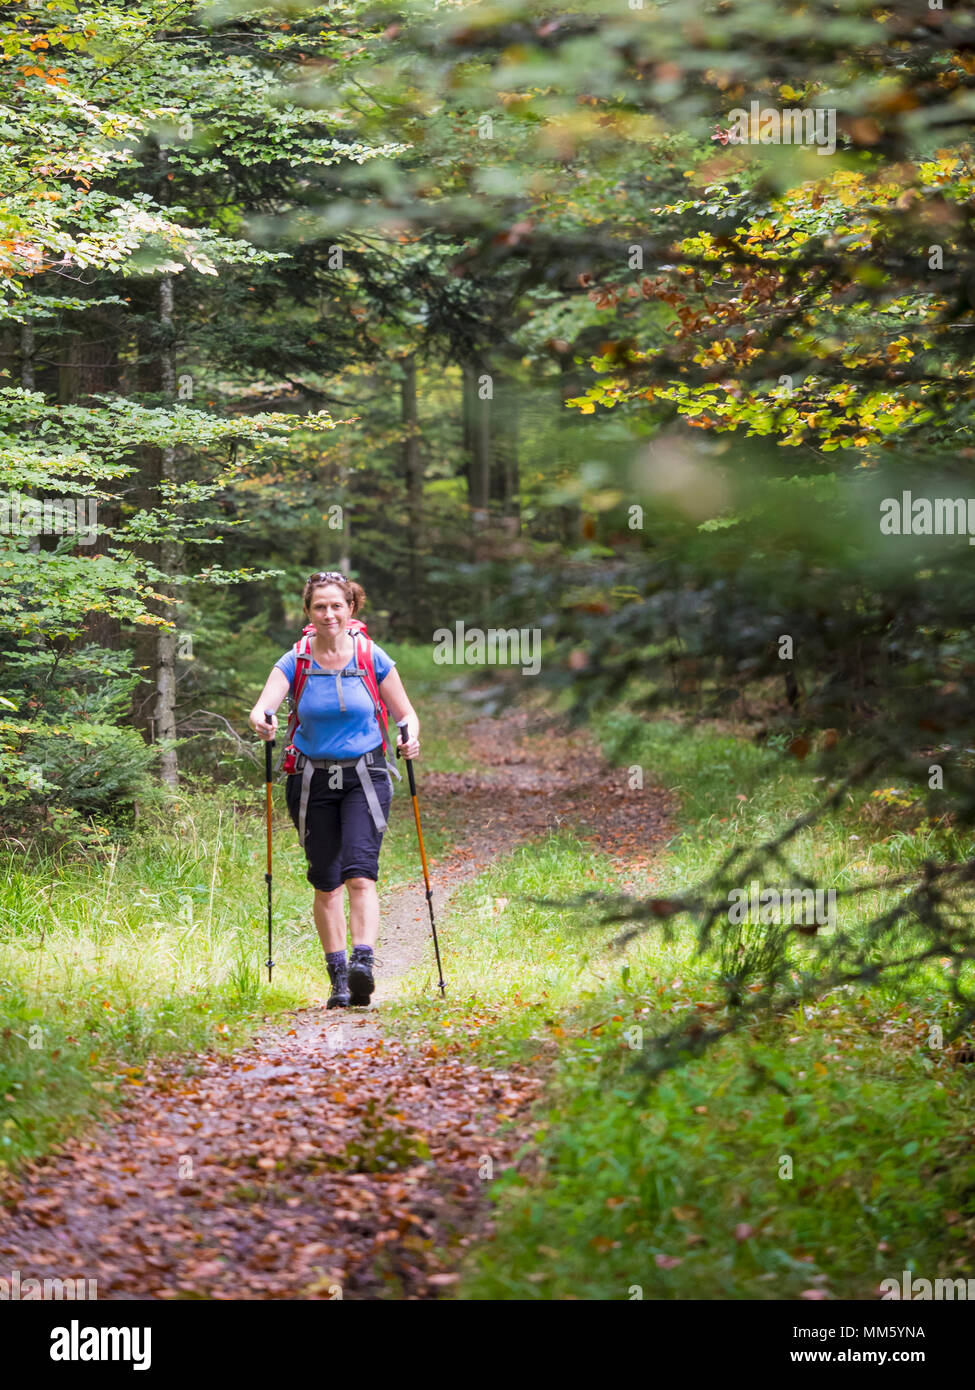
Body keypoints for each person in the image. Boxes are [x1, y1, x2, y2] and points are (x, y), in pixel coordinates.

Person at [249, 571, 420, 1009]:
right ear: (308, 612)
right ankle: (339, 978)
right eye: (320, 606)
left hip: (366, 774)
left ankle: (363, 964)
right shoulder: (296, 660)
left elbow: (406, 714)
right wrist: (262, 720)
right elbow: (263, 706)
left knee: (360, 873)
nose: (329, 614)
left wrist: (409, 737)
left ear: (351, 609)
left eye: (336, 605)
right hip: (310, 779)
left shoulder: (370, 656)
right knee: (326, 884)